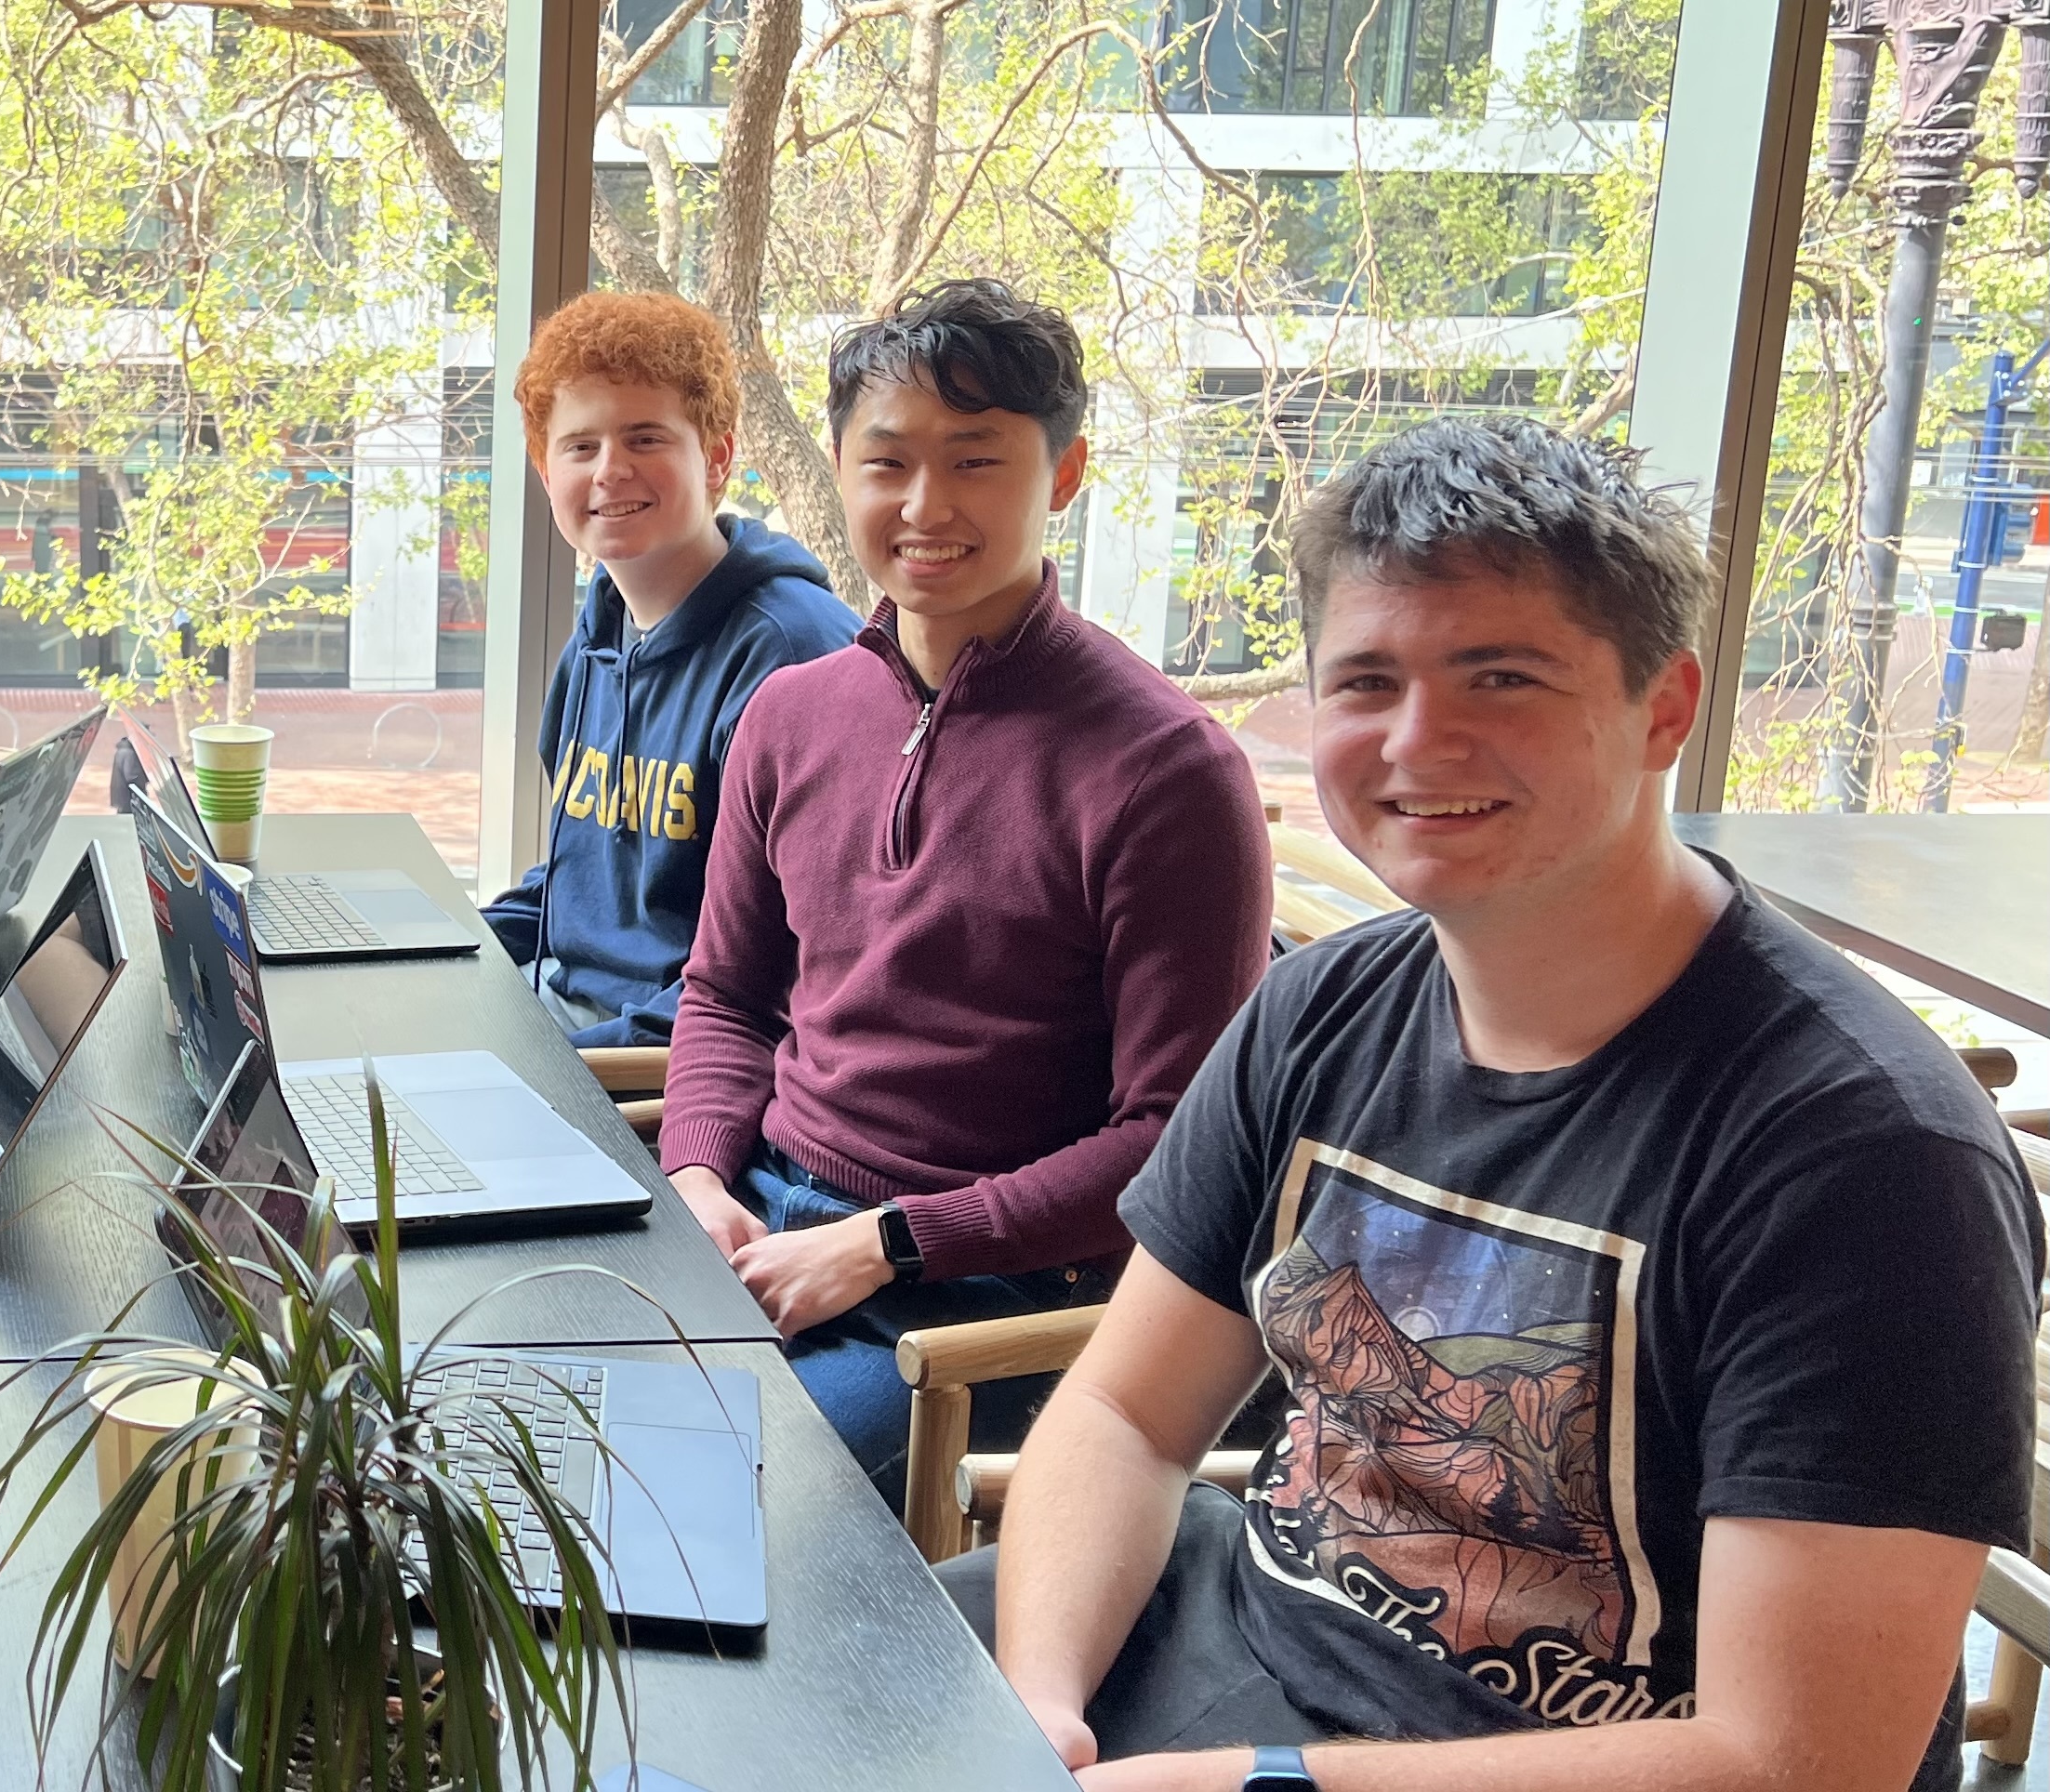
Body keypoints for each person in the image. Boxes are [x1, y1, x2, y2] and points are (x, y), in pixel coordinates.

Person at [953, 416, 2040, 1792]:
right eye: (1365, 680)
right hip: (1238, 1650)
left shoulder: (1868, 1158)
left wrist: (1250, 1782)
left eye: (1501, 676)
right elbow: (1126, 1413)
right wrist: (1035, 1707)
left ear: (1663, 706)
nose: (1419, 741)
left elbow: (1797, 1765)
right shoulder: (1319, 1007)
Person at [655, 279, 1274, 1506]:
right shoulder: (788, 715)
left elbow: (1174, 1144)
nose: (925, 506)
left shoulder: (1166, 772)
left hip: (995, 1295)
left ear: (1063, 472)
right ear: (838, 471)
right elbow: (725, 994)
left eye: (975, 460)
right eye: (886, 463)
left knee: (706, 1500)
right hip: (766, 1218)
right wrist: (697, 1182)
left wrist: (889, 1244)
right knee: (520, 1416)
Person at [478, 290, 857, 1047]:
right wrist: (432, 948)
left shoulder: (790, 654)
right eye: (579, 447)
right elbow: (576, 887)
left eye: (644, 438)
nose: (609, 470)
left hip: (665, 1062)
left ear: (716, 457)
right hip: (562, 1009)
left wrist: (553, 1067)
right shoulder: (598, 635)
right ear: (545, 471)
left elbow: (785, 969)